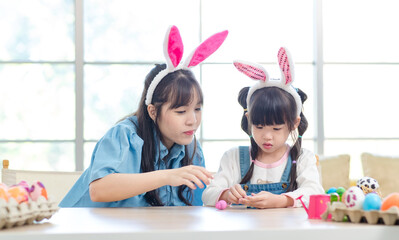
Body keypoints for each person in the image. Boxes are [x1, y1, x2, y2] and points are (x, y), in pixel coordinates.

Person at [59, 25, 228, 207]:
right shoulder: (124, 136)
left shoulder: (191, 148)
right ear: (153, 111)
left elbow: (194, 209)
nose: (192, 121)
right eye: (180, 111)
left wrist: (225, 195)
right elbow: (98, 190)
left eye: (197, 109)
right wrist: (167, 176)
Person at [202, 47, 324, 209]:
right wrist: (226, 194)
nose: (267, 136)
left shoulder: (302, 158)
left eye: (276, 129)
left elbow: (314, 192)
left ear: (294, 123)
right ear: (249, 120)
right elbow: (207, 194)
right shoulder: (233, 157)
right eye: (259, 127)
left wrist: (282, 200)